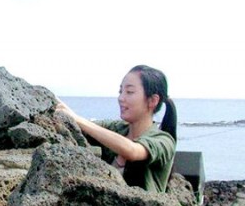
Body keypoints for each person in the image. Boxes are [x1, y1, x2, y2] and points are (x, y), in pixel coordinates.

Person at [56, 65, 177, 193]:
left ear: (152, 100)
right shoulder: (117, 128)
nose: (121, 98)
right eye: (120, 92)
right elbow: (83, 126)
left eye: (129, 92)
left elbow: (132, 151)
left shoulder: (164, 140)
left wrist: (78, 119)